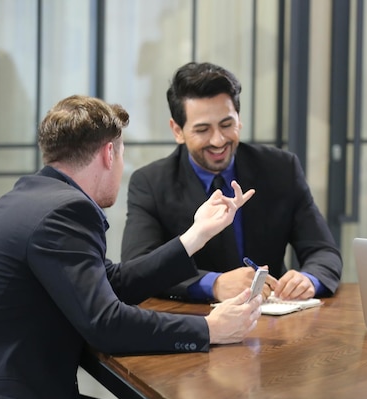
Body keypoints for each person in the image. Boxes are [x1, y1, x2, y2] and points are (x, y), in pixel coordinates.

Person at [0, 95, 262, 399]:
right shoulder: (65, 210)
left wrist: (196, 236)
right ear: (109, 153)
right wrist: (209, 328)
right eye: (122, 155)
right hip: (3, 397)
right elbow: (106, 324)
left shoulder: (30, 195)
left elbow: (110, 283)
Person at [121, 61, 342, 303]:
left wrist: (309, 278)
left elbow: (323, 250)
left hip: (274, 319)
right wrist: (213, 284)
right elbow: (138, 266)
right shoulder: (151, 183)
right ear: (177, 131)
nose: (218, 140)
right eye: (203, 129)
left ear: (239, 119)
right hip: (193, 323)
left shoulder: (280, 169)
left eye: (227, 125)